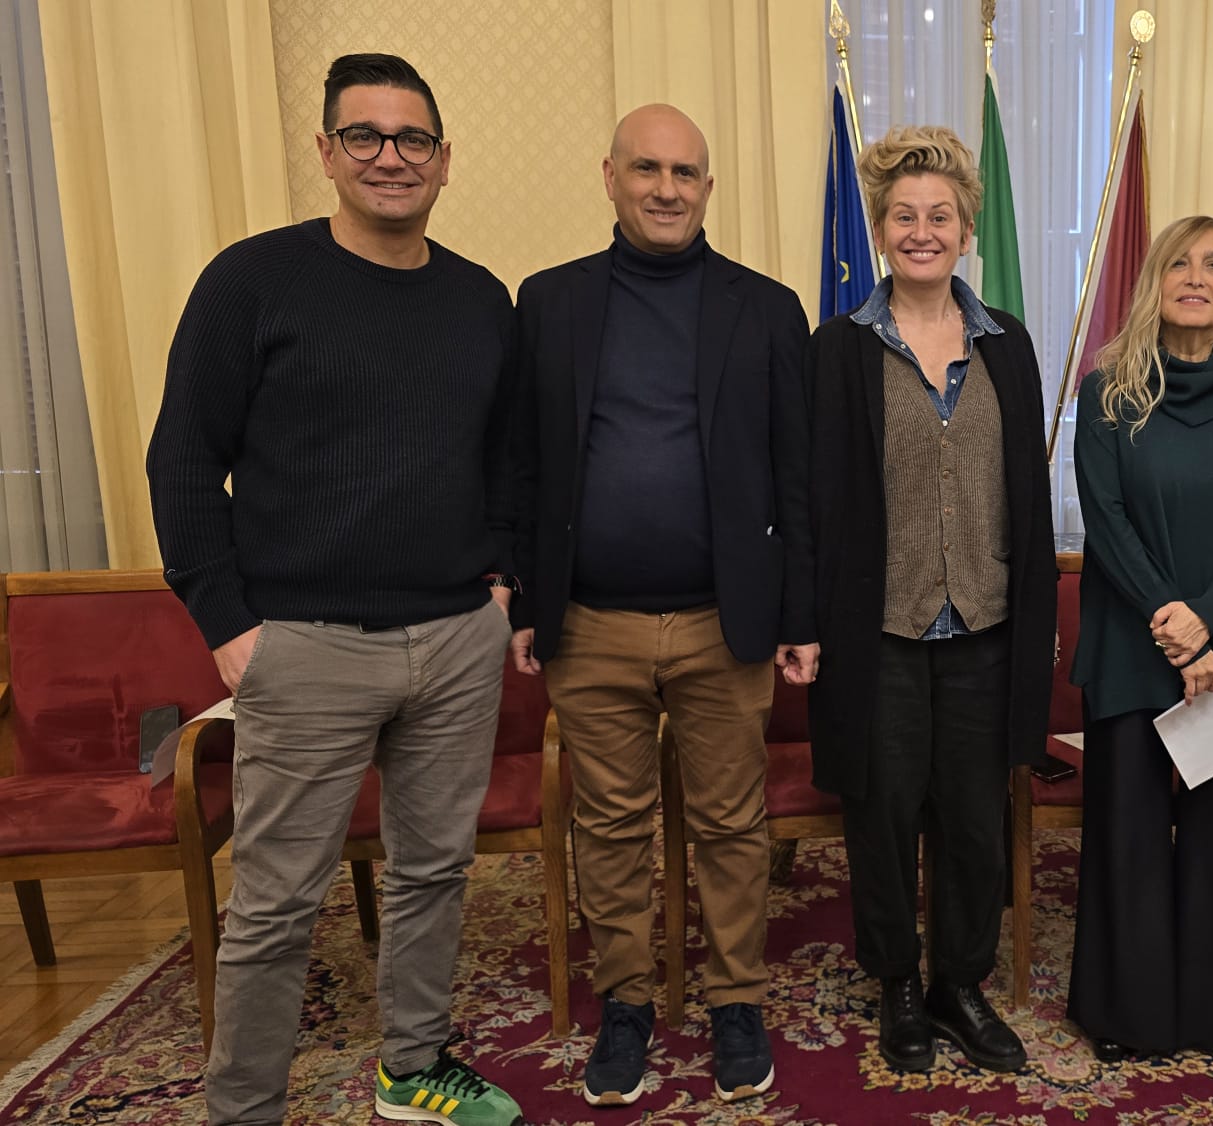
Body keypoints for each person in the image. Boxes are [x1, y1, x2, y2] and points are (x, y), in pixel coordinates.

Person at [147, 53, 525, 1126]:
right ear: (326, 152)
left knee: (431, 876)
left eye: (412, 139)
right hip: (304, 645)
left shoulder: (477, 298)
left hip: (455, 635)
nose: (389, 158)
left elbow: (504, 461)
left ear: (444, 161)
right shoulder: (251, 282)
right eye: (365, 136)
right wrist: (229, 628)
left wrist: (498, 587)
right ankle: (244, 1108)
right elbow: (181, 460)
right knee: (274, 907)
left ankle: (412, 1071)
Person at [509, 104, 816, 1106]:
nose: (666, 187)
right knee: (608, 826)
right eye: (646, 167)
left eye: (686, 171)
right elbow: (522, 461)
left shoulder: (765, 309)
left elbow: (795, 476)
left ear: (708, 187)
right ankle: (628, 1001)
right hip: (588, 622)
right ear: (609, 176)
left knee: (731, 824)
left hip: (723, 619)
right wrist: (521, 595)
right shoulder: (547, 303)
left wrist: (799, 613)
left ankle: (733, 1001)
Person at [805, 125, 1055, 1076]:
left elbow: (1025, 496)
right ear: (879, 229)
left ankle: (959, 983)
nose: (922, 231)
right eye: (904, 216)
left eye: (939, 215)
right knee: (881, 816)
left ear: (965, 229)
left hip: (985, 628)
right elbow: (816, 495)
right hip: (882, 632)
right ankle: (899, 984)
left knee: (972, 821)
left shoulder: (1010, 346)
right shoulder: (839, 350)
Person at [1066, 216, 1213, 1062]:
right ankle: (1126, 1013)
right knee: (1127, 831)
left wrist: (1208, 619)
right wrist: (1175, 621)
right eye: (1179, 263)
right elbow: (1108, 520)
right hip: (1135, 643)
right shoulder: (1107, 390)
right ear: (1153, 282)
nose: (1196, 277)